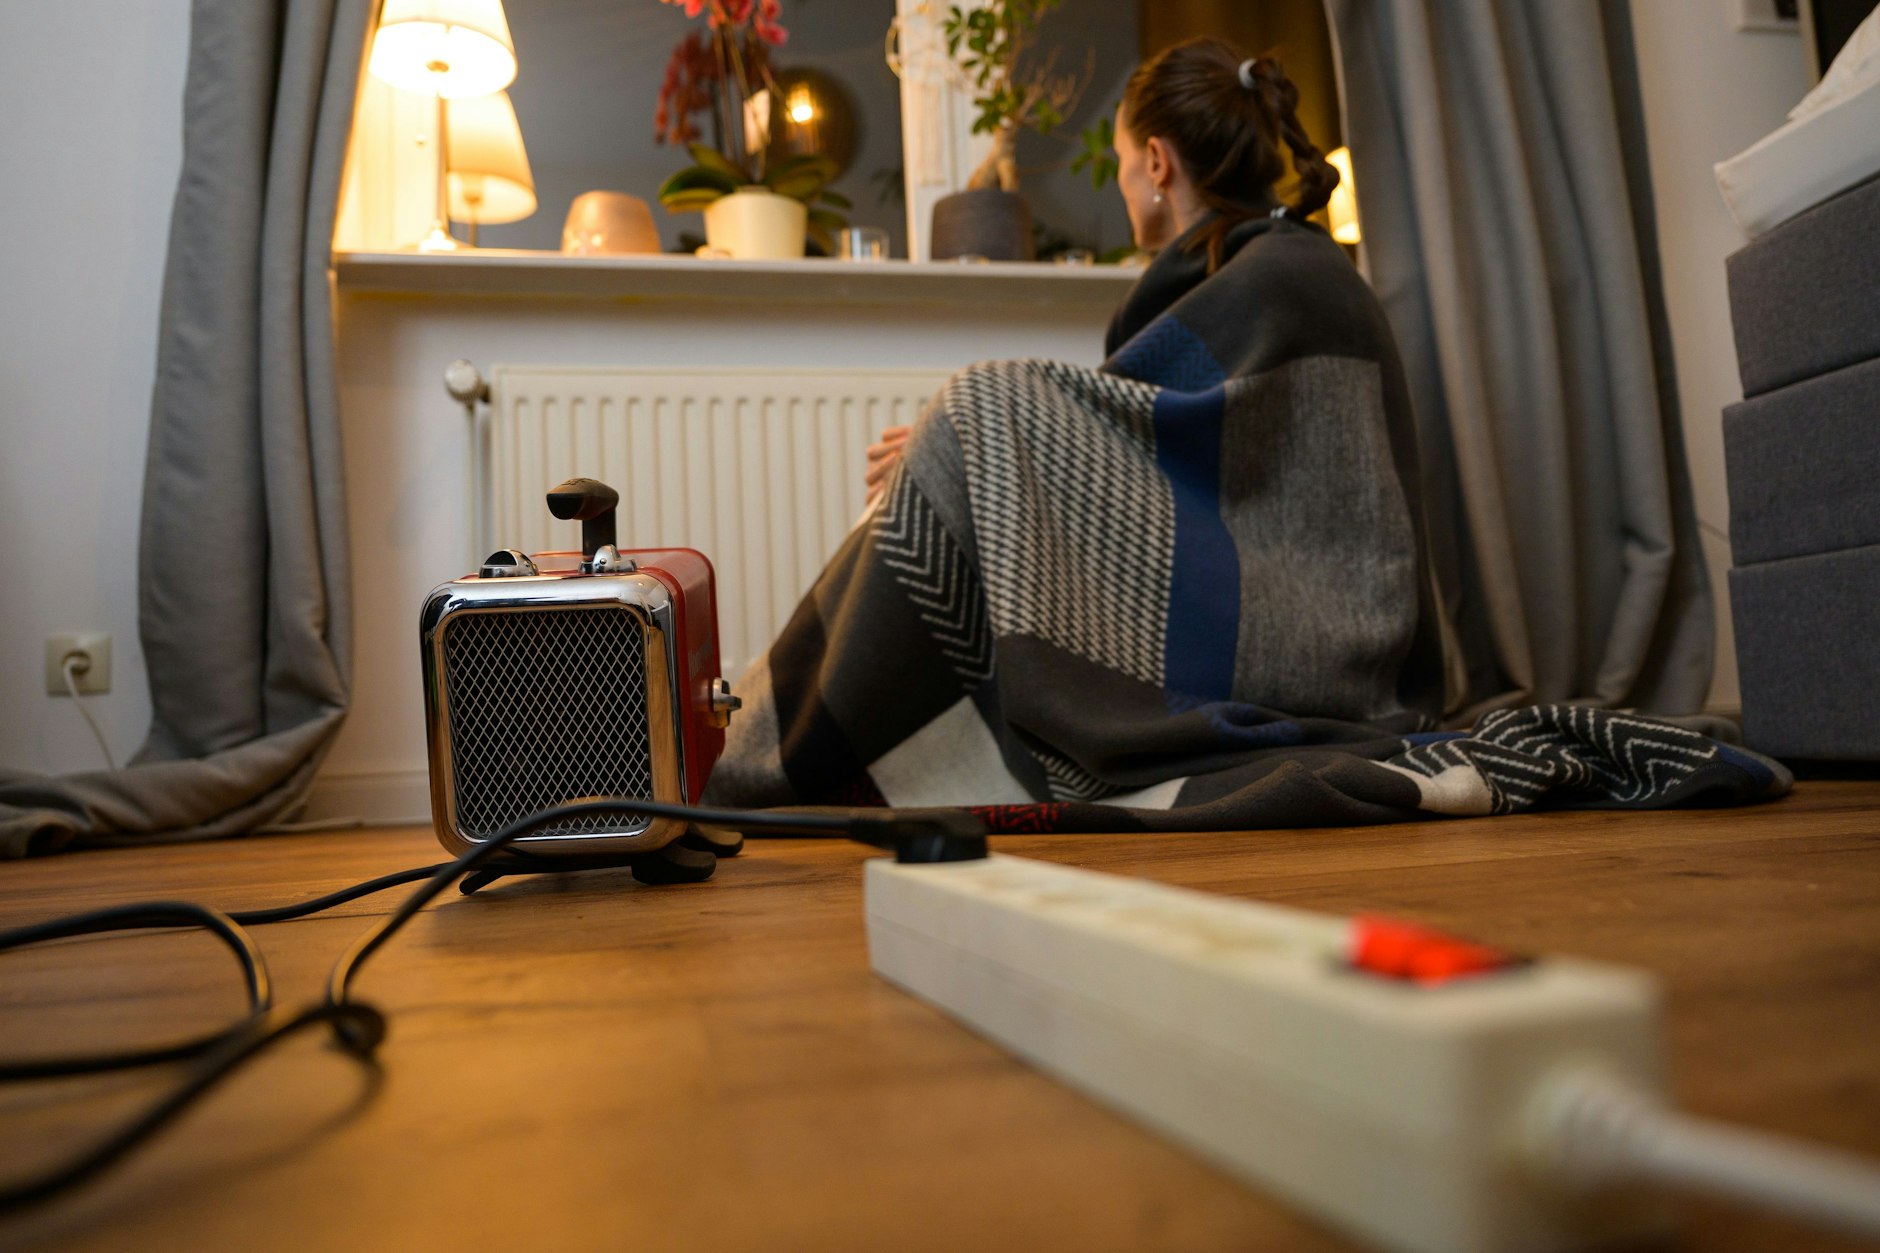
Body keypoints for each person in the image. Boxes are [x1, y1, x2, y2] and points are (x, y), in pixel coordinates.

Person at [865, 37, 1343, 503]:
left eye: (1121, 158)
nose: (1120, 179)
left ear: (1156, 162)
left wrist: (961, 446)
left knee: (945, 453)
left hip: (1269, 577)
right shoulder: (1292, 265)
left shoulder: (1252, 282)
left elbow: (1138, 462)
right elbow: (1124, 437)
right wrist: (964, 447)